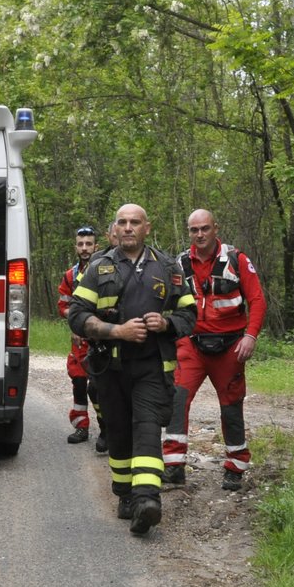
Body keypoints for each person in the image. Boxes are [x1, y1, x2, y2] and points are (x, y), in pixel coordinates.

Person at [67, 204, 197, 535]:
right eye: (122, 222)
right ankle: (124, 495)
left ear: (146, 228)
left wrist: (166, 323)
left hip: (152, 365)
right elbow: (77, 314)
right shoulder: (99, 267)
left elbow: (190, 315)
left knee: (148, 428)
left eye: (135, 222)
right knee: (120, 432)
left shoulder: (169, 267)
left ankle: (147, 501)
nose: (128, 228)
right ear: (115, 228)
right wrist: (116, 331)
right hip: (109, 368)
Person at [161, 208, 267, 491]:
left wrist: (251, 336)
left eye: (204, 229)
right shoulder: (179, 264)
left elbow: (257, 300)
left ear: (215, 228)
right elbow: (164, 301)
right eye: (194, 230)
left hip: (230, 347)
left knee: (231, 406)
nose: (200, 235)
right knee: (176, 400)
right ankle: (173, 467)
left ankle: (235, 466)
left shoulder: (236, 260)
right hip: (191, 345)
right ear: (188, 231)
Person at [57, 226, 105, 449]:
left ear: (97, 246)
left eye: (89, 244)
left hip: (101, 338)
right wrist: (76, 323)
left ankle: (106, 429)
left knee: (97, 386)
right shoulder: (71, 274)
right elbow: (63, 305)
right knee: (77, 381)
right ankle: (81, 426)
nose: (85, 248)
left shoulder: (106, 270)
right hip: (79, 341)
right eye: (80, 244)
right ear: (75, 246)